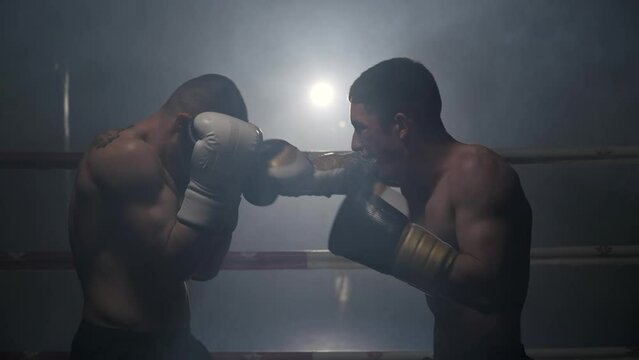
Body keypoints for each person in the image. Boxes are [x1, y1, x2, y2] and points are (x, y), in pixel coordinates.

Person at [246, 58, 533, 360]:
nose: (355, 143)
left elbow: (488, 290)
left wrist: (395, 245)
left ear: (401, 126)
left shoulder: (477, 173)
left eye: (361, 128)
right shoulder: (404, 167)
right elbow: (327, 172)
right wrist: (279, 171)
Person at [68, 74, 262, 359]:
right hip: (120, 347)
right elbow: (177, 265)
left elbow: (206, 269)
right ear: (184, 125)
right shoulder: (126, 156)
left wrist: (231, 183)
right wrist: (219, 186)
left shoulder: (182, 165)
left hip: (175, 343)